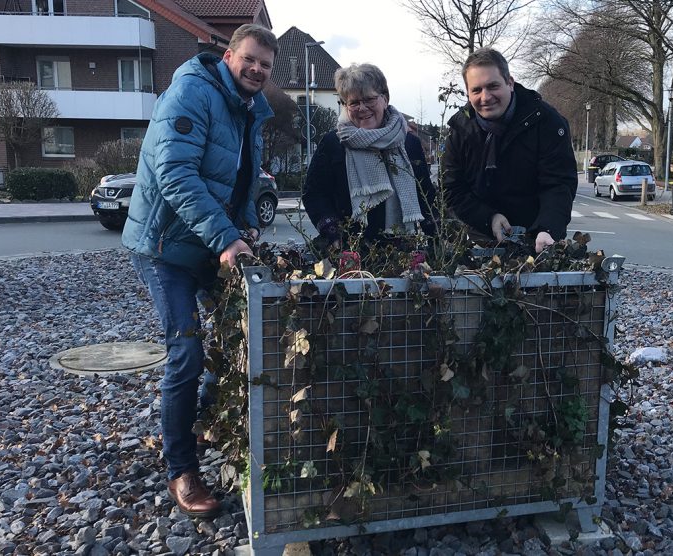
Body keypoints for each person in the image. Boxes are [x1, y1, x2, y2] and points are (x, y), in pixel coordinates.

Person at [121, 24, 277, 518]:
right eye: (249, 59)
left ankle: (203, 418)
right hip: (165, 248)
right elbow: (175, 174)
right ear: (229, 56)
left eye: (265, 65)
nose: (256, 69)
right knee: (186, 350)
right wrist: (226, 238)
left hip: (211, 245)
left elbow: (243, 180)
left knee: (243, 332)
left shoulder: (251, 109)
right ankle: (181, 469)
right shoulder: (192, 92)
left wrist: (246, 228)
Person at [442, 48, 577, 253]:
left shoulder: (547, 122)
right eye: (476, 90)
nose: (485, 97)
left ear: (510, 83)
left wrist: (547, 228)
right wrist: (489, 218)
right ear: (468, 93)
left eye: (493, 86)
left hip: (537, 238)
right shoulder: (460, 129)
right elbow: (452, 189)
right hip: (480, 236)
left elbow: (559, 183)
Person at [302, 63, 436, 247]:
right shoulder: (334, 143)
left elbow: (426, 196)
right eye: (354, 103)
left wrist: (439, 238)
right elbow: (314, 194)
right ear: (346, 106)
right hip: (350, 250)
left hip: (401, 251)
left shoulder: (409, 144)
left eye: (369, 100)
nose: (362, 108)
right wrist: (332, 232)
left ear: (385, 99)